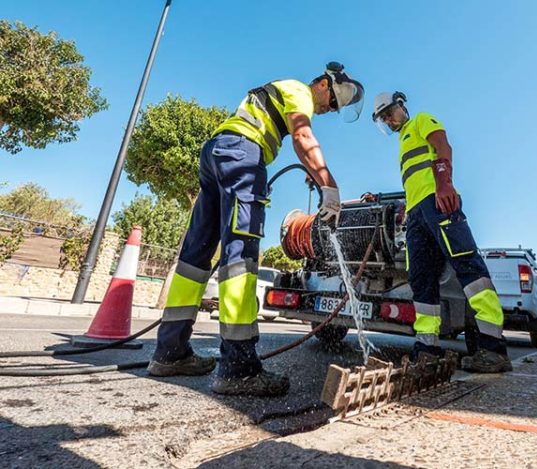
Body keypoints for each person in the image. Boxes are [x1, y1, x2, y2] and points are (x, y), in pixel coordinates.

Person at [147, 63, 365, 396]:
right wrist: (329, 184)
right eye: (333, 101)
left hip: (217, 152)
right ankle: (238, 368)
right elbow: (303, 136)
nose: (329, 109)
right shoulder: (300, 92)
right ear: (322, 84)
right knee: (240, 259)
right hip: (243, 156)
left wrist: (311, 170)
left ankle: (169, 352)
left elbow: (294, 138)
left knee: (196, 256)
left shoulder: (278, 92)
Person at [371, 91, 512, 373]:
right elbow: (414, 180)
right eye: (383, 118)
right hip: (416, 216)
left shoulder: (422, 120)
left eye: (389, 112)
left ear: (401, 105)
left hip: (438, 203)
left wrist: (444, 183)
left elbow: (442, 146)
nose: (388, 120)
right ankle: (427, 349)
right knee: (421, 279)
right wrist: (408, 210)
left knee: (468, 268)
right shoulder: (402, 141)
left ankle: (493, 348)